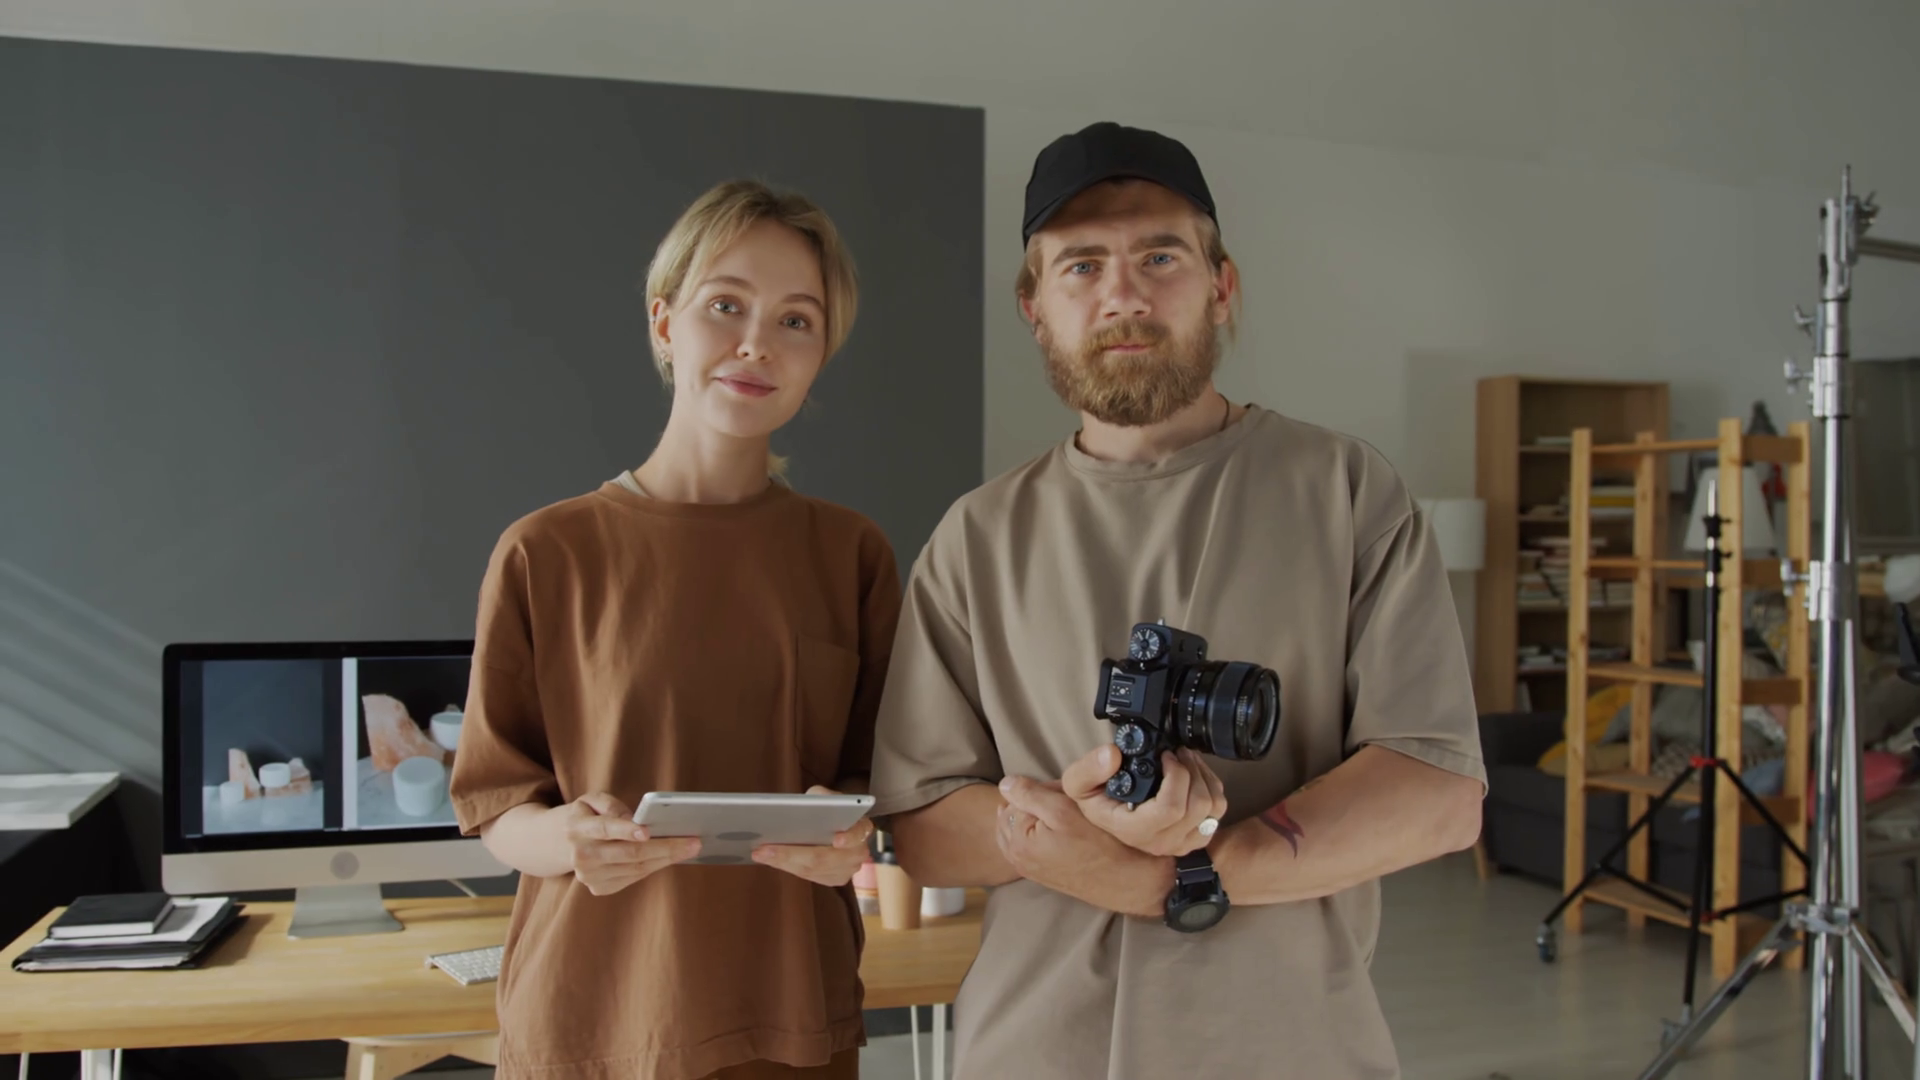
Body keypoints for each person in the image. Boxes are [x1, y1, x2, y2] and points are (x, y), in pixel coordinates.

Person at [866, 122, 1488, 1079]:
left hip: (1287, 1047)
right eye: (1081, 266)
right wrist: (1084, 828)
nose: (1123, 294)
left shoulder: (1344, 492)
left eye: (1160, 257)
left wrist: (1171, 872)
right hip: (1038, 1051)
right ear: (1035, 308)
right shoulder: (977, 538)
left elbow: (1438, 795)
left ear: (1221, 286)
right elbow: (921, 826)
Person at [449, 178, 902, 1080]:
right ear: (664, 323)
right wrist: (569, 840)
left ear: (820, 356)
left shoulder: (850, 554)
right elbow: (498, 806)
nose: (756, 343)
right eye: (724, 305)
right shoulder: (546, 552)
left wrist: (853, 839)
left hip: (790, 1019)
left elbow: (878, 783)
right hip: (593, 1020)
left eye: (796, 321)